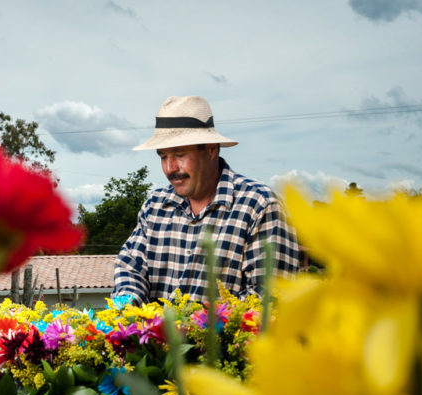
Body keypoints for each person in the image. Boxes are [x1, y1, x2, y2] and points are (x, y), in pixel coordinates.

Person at [112, 96, 299, 304]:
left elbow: (270, 296)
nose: (170, 168)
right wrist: (128, 307)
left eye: (180, 154)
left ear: (211, 149)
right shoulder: (155, 206)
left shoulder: (259, 205)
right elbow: (130, 267)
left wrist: (199, 324)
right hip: (155, 338)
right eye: (163, 157)